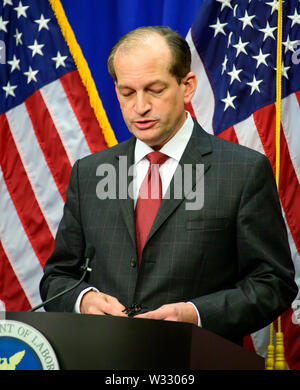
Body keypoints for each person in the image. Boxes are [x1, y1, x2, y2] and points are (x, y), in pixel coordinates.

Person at [40, 26, 297, 345]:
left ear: (187, 86)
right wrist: (84, 300)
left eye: (155, 89)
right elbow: (57, 277)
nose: (140, 106)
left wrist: (196, 314)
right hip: (104, 356)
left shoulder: (242, 171)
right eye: (127, 92)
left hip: (196, 358)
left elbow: (273, 284)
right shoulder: (91, 172)